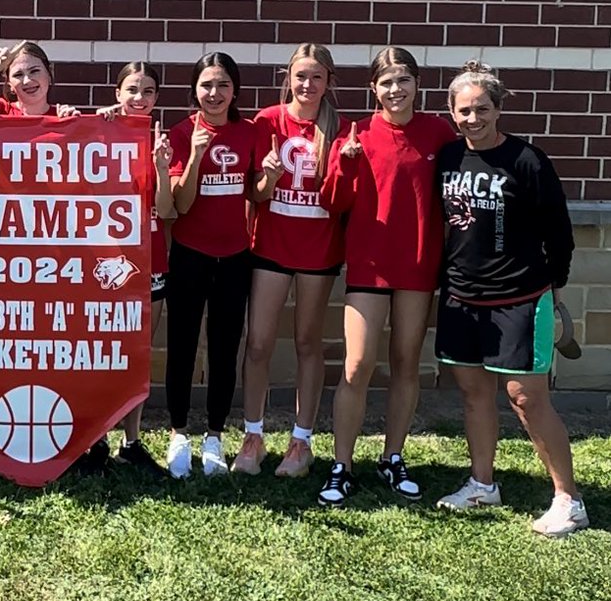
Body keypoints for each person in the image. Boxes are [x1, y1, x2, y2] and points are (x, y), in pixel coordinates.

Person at [433, 61, 587, 537]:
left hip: (520, 297)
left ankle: (569, 499)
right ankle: (482, 483)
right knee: (474, 393)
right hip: (462, 298)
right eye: (464, 110)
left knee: (525, 398)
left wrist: (552, 287)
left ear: (498, 110)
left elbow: (559, 235)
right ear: (452, 113)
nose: (473, 118)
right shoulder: (447, 158)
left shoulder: (528, 161)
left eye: (482, 108)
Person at [314, 47, 456, 507]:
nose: (396, 90)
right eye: (387, 82)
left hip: (417, 266)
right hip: (369, 268)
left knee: (406, 363)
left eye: (404, 80)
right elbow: (332, 202)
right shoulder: (356, 135)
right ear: (373, 88)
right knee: (356, 366)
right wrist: (347, 162)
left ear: (418, 83)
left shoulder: (439, 133)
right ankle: (342, 464)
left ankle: (393, 456)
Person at [233, 44, 346, 481]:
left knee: (306, 343)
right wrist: (270, 176)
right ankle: (254, 434)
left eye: (317, 77)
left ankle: (301, 440)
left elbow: (342, 197)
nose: (307, 85)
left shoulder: (339, 127)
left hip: (318, 250)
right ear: (289, 77)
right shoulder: (268, 121)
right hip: (270, 248)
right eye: (301, 76)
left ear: (328, 82)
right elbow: (256, 193)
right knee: (258, 342)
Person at [164, 52, 256, 478]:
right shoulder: (182, 133)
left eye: (222, 84)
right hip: (189, 253)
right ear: (194, 90)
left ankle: (215, 435)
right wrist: (198, 154)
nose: (214, 93)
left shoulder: (249, 132)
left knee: (224, 347)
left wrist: (269, 178)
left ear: (234, 89)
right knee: (181, 345)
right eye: (206, 85)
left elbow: (256, 193)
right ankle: (178, 431)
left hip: (236, 255)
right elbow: (180, 205)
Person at [85, 62, 175, 477]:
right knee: (100, 353)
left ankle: (132, 442)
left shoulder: (162, 139)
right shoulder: (98, 131)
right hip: (104, 262)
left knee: (137, 356)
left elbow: (168, 209)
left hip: (150, 259)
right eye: (132, 90)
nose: (140, 99)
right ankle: (93, 439)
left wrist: (160, 165)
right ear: (117, 92)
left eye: (149, 91)